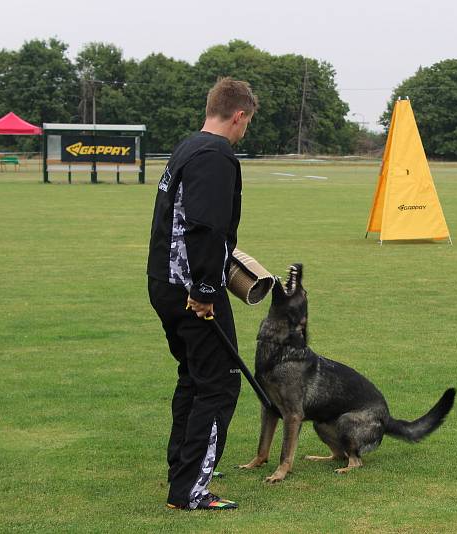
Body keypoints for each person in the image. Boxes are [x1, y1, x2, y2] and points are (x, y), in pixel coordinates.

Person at [147, 78, 258, 510]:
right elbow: (204, 228)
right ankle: (191, 489)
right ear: (239, 115)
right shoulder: (216, 155)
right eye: (247, 122)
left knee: (194, 378)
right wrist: (206, 290)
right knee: (220, 385)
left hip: (164, 283)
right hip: (192, 290)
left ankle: (184, 468)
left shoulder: (188, 146)